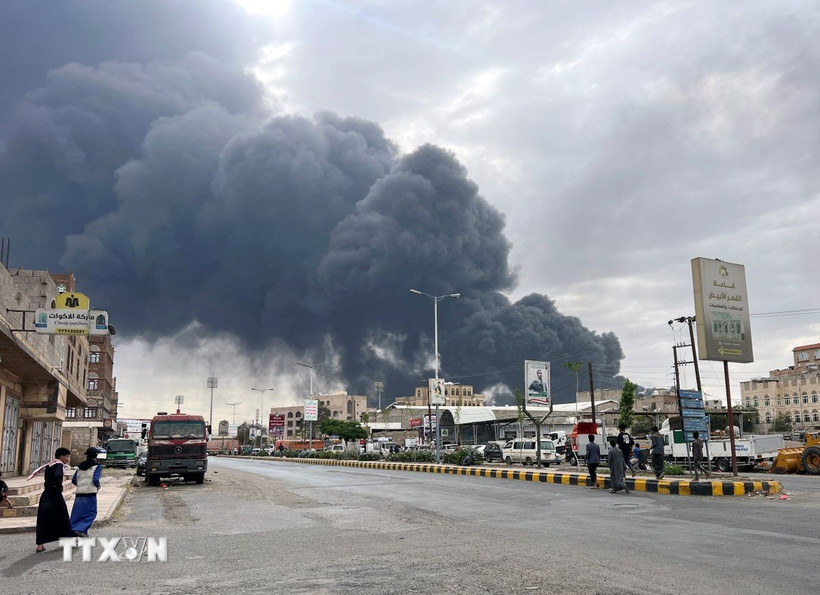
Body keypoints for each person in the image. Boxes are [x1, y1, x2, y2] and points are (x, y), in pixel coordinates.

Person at [31, 447, 73, 552]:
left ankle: (40, 545)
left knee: (43, 519)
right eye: (67, 456)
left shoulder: (50, 465)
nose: (68, 459)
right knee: (62, 517)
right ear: (62, 456)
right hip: (55, 496)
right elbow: (57, 476)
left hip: (46, 495)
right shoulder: (59, 465)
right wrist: (59, 486)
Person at [70, 447, 103, 537]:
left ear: (87, 456)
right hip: (90, 493)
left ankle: (77, 530)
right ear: (96, 456)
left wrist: (80, 485)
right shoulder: (98, 466)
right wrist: (98, 486)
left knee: (77, 513)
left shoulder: (80, 466)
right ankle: (80, 529)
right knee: (91, 513)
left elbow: (74, 480)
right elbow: (95, 479)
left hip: (79, 493)